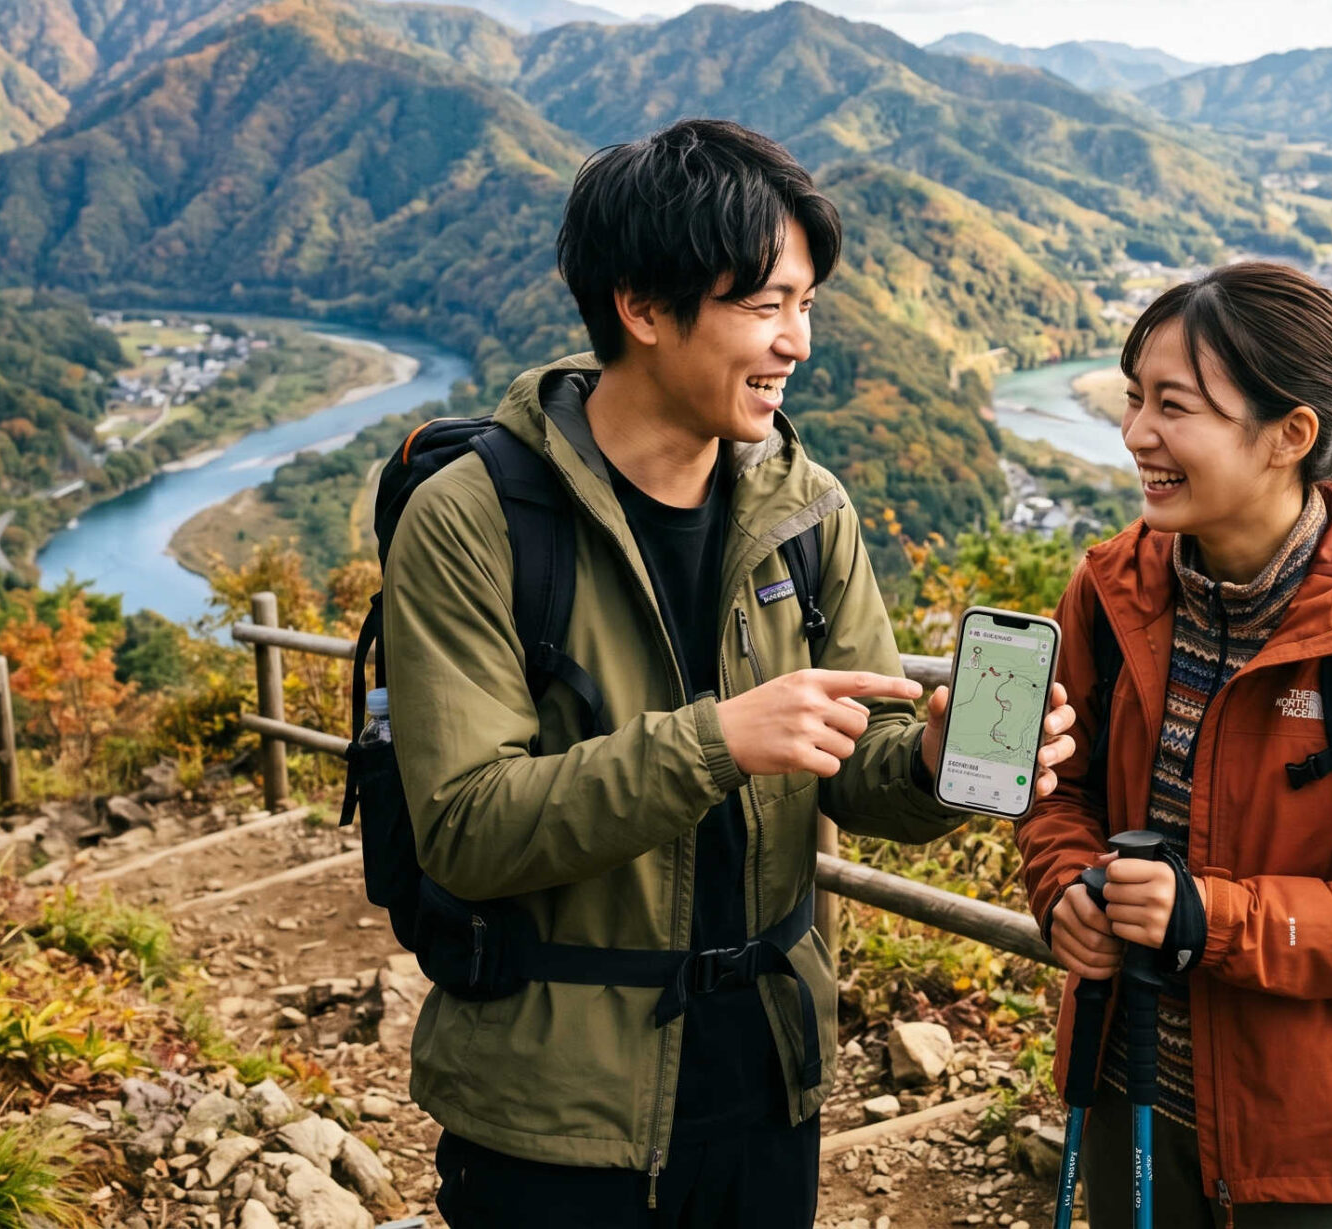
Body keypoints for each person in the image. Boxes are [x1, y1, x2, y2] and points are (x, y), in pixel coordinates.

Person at [382, 118, 1079, 1227]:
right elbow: (465, 827)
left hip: (764, 1080)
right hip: (554, 1109)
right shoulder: (475, 520)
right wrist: (715, 741)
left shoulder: (804, 508)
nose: (796, 340)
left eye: (805, 303)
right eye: (764, 306)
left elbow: (861, 768)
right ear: (643, 309)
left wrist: (941, 763)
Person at [1014, 261, 1332, 1227]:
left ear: (1292, 436)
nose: (1137, 431)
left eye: (1175, 406)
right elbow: (1055, 789)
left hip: (1323, 1144)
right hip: (1127, 1080)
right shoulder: (1114, 592)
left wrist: (1208, 915)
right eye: (1136, 396)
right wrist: (1063, 882)